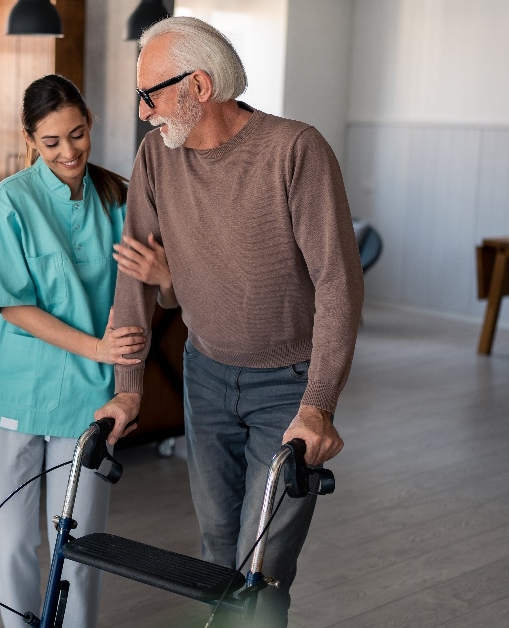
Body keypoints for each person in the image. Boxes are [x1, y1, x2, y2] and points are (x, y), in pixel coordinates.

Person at [97, 16, 364, 625]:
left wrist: (319, 403)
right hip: (206, 375)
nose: (143, 113)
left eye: (150, 95)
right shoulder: (156, 158)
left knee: (261, 566)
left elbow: (338, 283)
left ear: (198, 85)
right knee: (217, 549)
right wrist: (127, 390)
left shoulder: (295, 150)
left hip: (288, 388)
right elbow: (136, 273)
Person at [0, 74, 148, 628]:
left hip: (87, 402)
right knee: (13, 543)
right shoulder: (10, 202)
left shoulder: (118, 198)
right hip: (13, 395)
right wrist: (99, 347)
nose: (68, 152)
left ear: (90, 123)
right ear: (29, 139)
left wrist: (125, 382)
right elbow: (14, 305)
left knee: (82, 549)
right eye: (51, 142)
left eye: (77, 134)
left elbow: (141, 294)